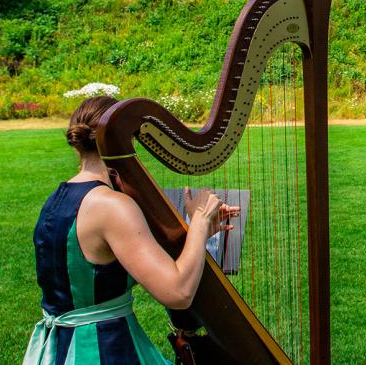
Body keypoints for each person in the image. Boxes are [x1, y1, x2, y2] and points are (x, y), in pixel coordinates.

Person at [24, 96, 237, 365]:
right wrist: (201, 220)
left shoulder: (56, 199)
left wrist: (200, 234)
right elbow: (178, 292)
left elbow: (96, 275)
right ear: (126, 139)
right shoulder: (112, 206)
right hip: (105, 350)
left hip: (60, 350)